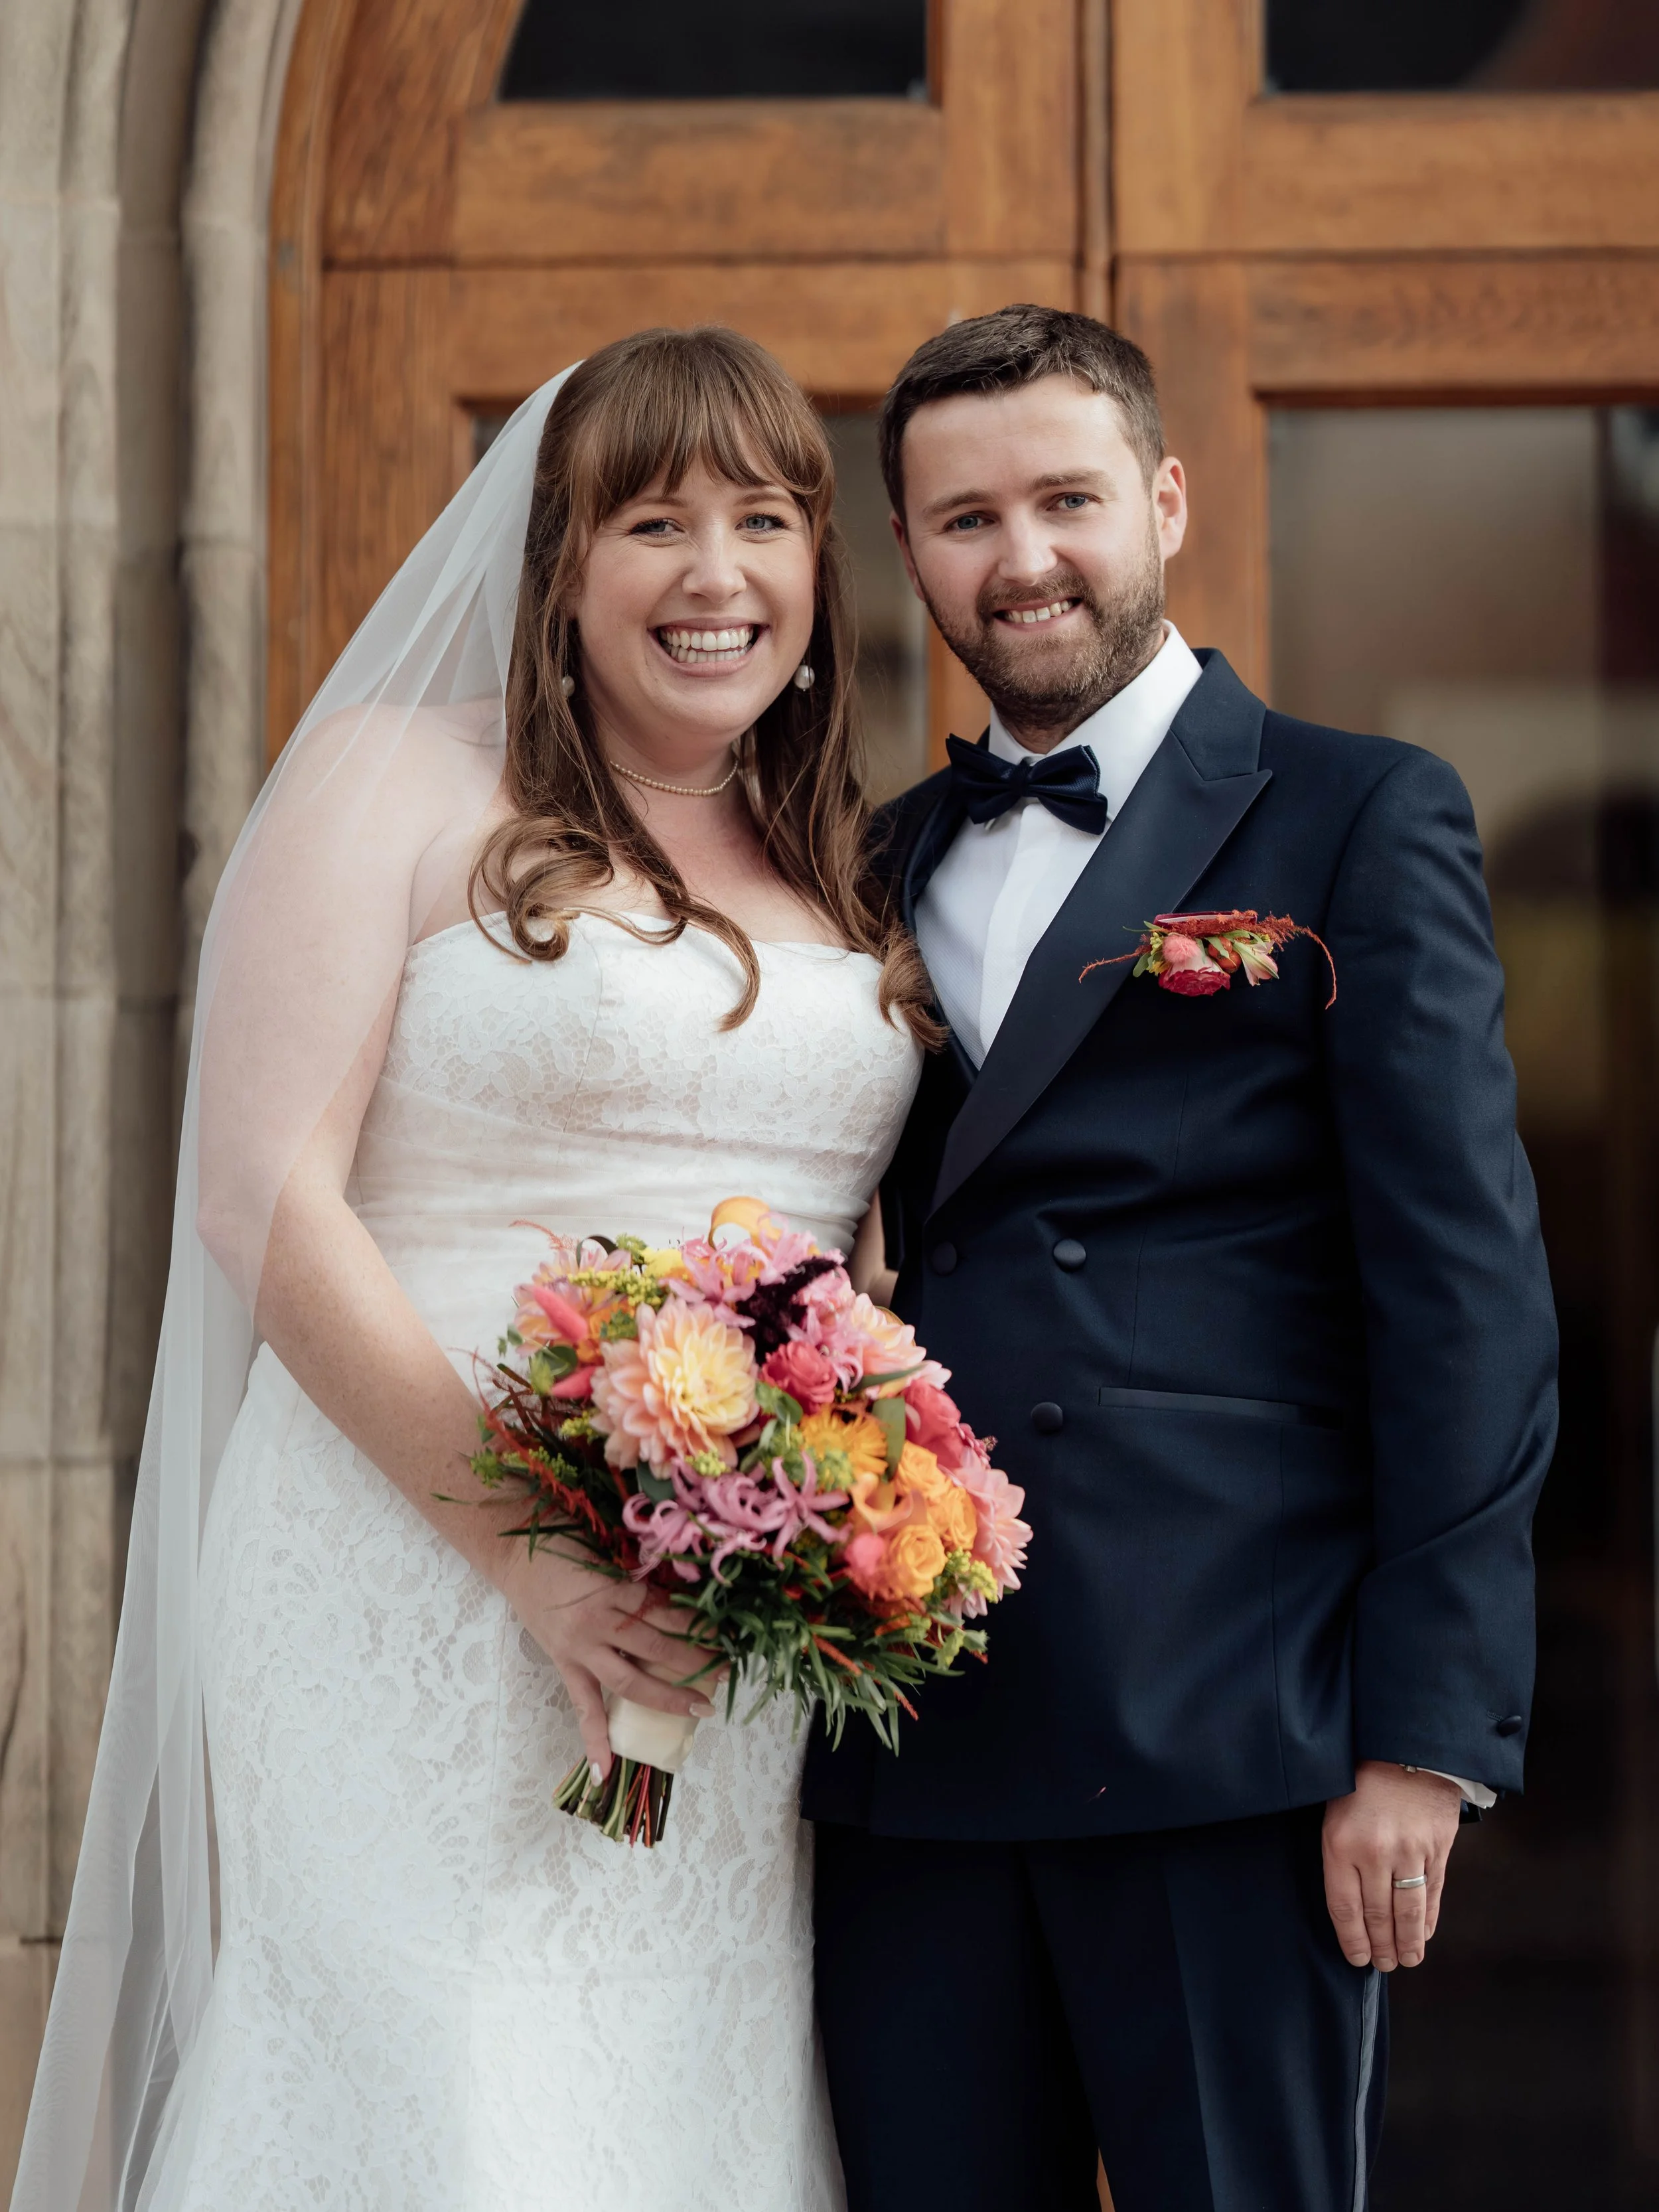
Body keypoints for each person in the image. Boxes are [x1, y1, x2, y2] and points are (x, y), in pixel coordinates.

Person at [13, 327, 933, 2211]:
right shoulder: (395, 780)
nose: (715, 574)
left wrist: (837, 1494)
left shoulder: (838, 860)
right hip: (405, 1554)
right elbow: (263, 1199)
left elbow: (855, 1246)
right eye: (653, 521)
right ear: (558, 565)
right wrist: (533, 1556)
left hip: (721, 1603)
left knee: (676, 2075)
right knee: (446, 2076)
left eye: (763, 521)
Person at [804, 304, 1559, 2211]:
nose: (1022, 556)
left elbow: (1462, 1294)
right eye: (964, 517)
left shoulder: (1354, 812)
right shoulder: (865, 868)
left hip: (1234, 1727)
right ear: (909, 550)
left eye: (1066, 498)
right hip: (919, 1733)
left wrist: (1423, 1737)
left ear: (1162, 499)